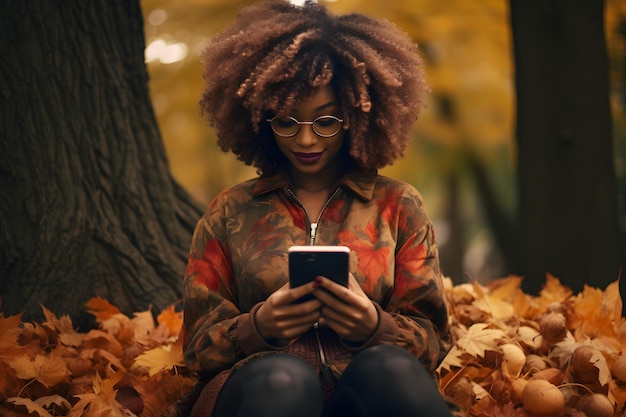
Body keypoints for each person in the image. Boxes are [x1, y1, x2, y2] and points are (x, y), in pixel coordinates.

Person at [175, 1, 453, 416]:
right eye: (287, 122)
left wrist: (375, 328)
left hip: (365, 391)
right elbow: (196, 351)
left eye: (326, 122)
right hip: (261, 391)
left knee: (393, 370)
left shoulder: (398, 205)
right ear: (260, 117)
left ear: (359, 115)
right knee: (281, 379)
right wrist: (259, 327)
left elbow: (434, 341)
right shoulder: (229, 211)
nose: (306, 141)